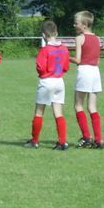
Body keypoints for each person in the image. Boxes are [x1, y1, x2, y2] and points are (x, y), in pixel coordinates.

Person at [24, 21, 70, 150]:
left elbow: (40, 68)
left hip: (47, 81)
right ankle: (62, 142)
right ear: (56, 33)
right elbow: (66, 66)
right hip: (59, 81)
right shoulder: (64, 48)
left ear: (44, 35)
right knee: (58, 112)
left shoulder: (44, 50)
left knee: (39, 111)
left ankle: (35, 141)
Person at [70, 11, 104, 149]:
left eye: (76, 23)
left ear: (84, 25)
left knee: (78, 105)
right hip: (95, 72)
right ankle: (99, 139)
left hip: (84, 71)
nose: (74, 25)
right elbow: (98, 60)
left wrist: (65, 56)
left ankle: (86, 137)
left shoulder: (80, 38)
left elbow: (78, 60)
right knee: (92, 107)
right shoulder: (97, 38)